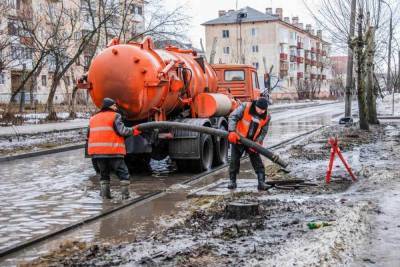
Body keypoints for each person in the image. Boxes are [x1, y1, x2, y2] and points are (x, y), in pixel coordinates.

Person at [87, 98, 135, 199]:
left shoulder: (93, 118)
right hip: (113, 151)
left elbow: (88, 135)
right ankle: (126, 198)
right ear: (109, 106)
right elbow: (123, 131)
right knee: (123, 174)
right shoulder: (115, 116)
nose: (116, 108)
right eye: (114, 106)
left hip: (97, 154)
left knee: (104, 175)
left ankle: (105, 198)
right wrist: (133, 130)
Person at [227, 97, 272, 190]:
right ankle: (232, 181)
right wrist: (232, 131)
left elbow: (263, 131)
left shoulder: (267, 116)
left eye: (263, 110)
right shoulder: (245, 107)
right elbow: (233, 117)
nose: (261, 112)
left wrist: (258, 142)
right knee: (234, 160)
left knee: (257, 162)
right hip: (239, 139)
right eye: (259, 109)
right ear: (256, 106)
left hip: (252, 142)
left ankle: (261, 183)